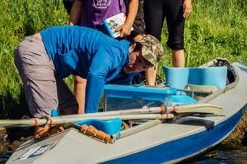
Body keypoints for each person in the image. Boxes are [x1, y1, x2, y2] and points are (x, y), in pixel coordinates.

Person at [14, 25, 163, 117]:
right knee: (48, 118)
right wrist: (90, 117)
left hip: (50, 63)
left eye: (144, 66)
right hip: (38, 50)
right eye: (138, 59)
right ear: (132, 47)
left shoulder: (128, 71)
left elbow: (119, 102)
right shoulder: (114, 51)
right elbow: (96, 74)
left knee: (71, 110)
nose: (137, 66)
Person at [68, 0, 139, 111]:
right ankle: (80, 118)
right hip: (89, 32)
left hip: (113, 33)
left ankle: (114, 112)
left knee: (115, 73)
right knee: (80, 77)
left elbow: (133, 0)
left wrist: (128, 24)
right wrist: (71, 28)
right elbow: (77, 5)